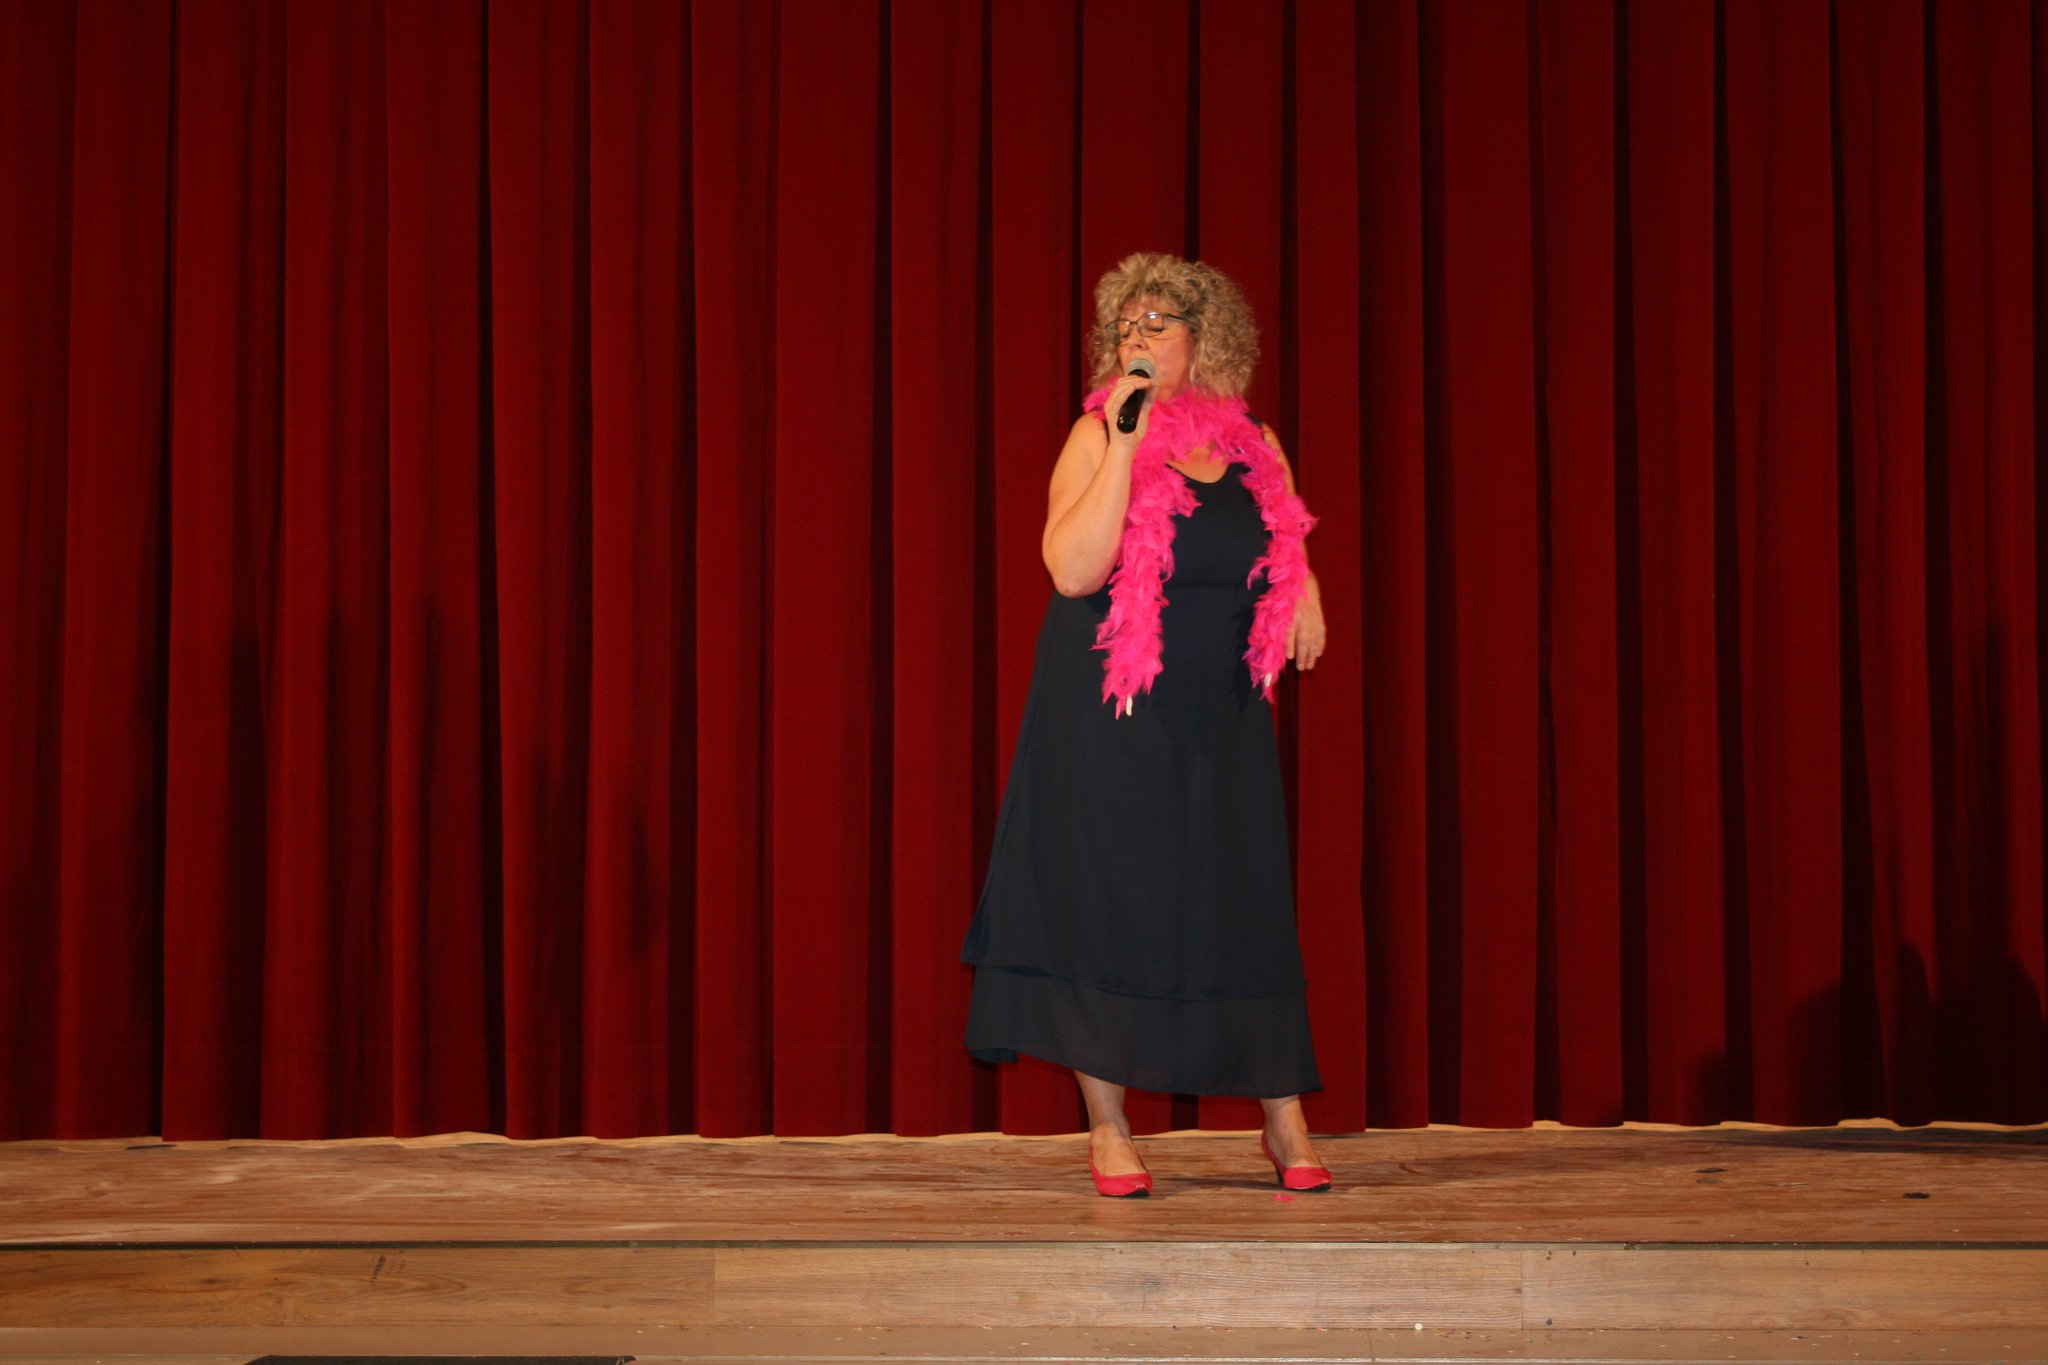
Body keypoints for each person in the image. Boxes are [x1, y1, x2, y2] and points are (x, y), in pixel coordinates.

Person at [961, 251, 1331, 1197]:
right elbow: (1072, 570)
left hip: (1222, 711)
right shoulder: (1096, 434)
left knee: (1241, 899)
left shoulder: (1254, 441)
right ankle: (1110, 1127)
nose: (1137, 337)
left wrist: (1306, 595)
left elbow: (1285, 538)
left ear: (1205, 339)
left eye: (1157, 323)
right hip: (1110, 711)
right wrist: (1125, 448)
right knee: (1109, 900)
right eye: (1126, 325)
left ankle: (1284, 1118)